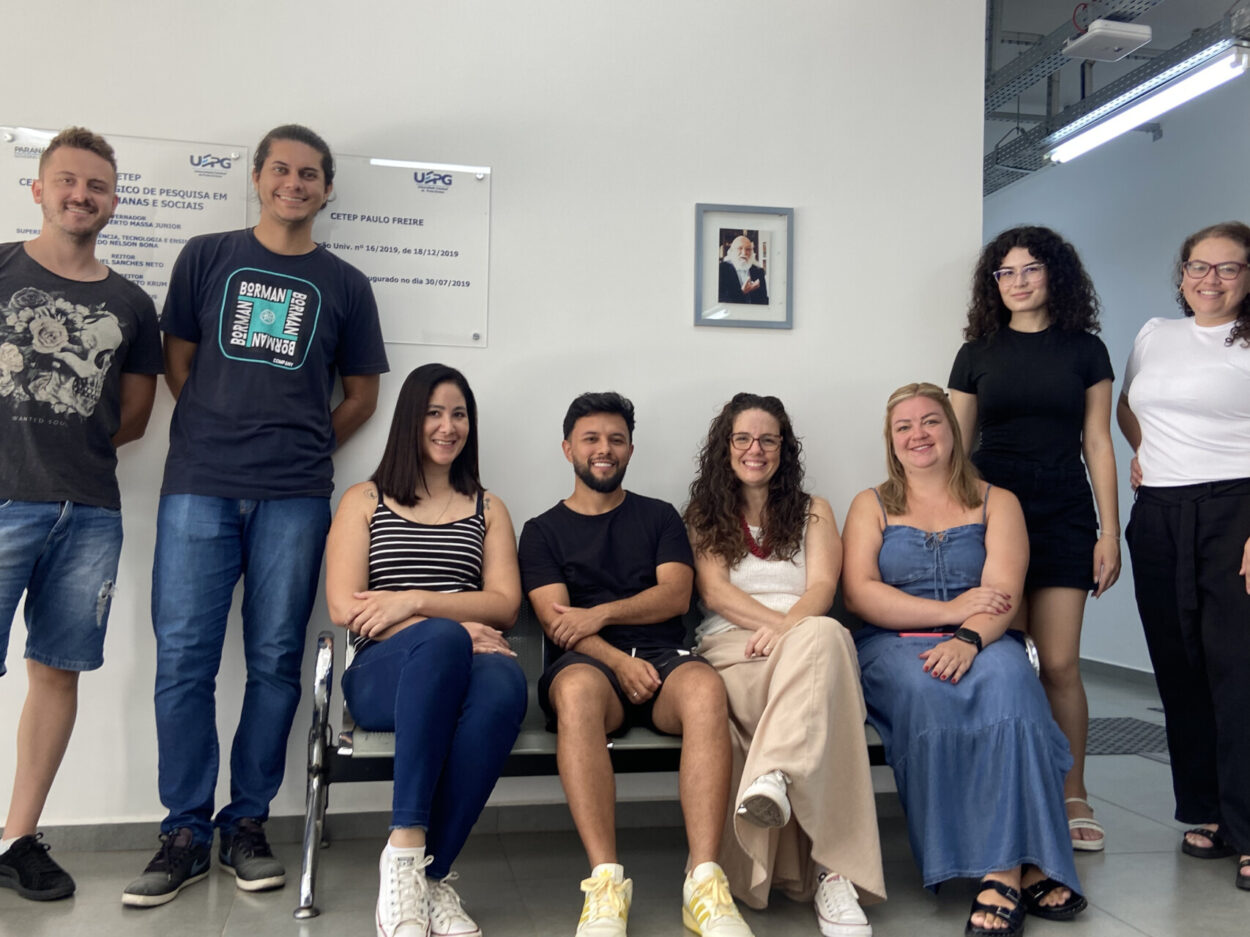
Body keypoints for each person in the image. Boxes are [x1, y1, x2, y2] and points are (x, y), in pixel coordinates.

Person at [123, 124, 389, 907]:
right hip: (198, 485)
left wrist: (302, 442)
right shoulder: (207, 256)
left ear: (327, 188)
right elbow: (178, 360)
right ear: (257, 177)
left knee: (275, 660)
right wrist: (216, 426)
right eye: (281, 169)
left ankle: (247, 823)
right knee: (184, 660)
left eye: (309, 174)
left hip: (296, 495)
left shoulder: (346, 284)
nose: (293, 184)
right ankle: (183, 830)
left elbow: (363, 394)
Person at [842, 383, 1084, 937]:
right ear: (891, 441)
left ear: (953, 431)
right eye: (904, 426)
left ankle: (1003, 871)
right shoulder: (870, 505)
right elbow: (860, 594)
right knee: (929, 691)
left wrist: (968, 639)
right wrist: (947, 611)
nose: (918, 434)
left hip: (984, 637)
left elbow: (1004, 594)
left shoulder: (999, 502)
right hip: (892, 644)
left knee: (1014, 687)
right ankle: (1014, 863)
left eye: (930, 421)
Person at [518, 391, 754, 937]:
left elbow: (675, 595)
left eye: (616, 440)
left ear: (629, 449)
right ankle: (606, 884)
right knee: (576, 692)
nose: (604, 449)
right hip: (587, 665)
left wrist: (600, 613)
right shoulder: (542, 530)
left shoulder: (659, 516)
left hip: (663, 659)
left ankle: (703, 881)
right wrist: (615, 659)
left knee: (706, 689)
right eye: (591, 439)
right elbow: (557, 623)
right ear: (568, 449)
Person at [0, 127, 161, 901]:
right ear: (38, 189)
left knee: (57, 670)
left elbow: (133, 416)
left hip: (89, 512)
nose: (80, 195)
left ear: (113, 202)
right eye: (66, 180)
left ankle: (17, 837)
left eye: (96, 186)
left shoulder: (131, 304)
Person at [325, 363, 527, 936]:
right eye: (434, 413)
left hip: (468, 665)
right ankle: (406, 844)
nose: (448, 426)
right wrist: (447, 626)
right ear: (411, 420)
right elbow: (343, 606)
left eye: (459, 414)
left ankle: (428, 877)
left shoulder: (489, 508)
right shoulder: (364, 500)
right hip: (382, 673)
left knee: (506, 685)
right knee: (441, 639)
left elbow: (505, 604)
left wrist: (412, 600)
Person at [683, 393, 884, 936]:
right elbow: (716, 593)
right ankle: (834, 871)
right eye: (743, 438)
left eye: (768, 439)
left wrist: (791, 630)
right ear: (725, 447)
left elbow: (822, 589)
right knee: (828, 666)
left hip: (805, 644)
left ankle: (781, 782)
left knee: (825, 636)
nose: (756, 449)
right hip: (735, 650)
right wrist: (780, 628)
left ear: (784, 448)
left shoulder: (815, 510)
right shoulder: (704, 515)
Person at [948, 225, 1120, 851]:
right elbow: (955, 447)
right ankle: (1011, 790)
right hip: (993, 517)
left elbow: (1098, 442)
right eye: (1006, 272)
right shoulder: (976, 352)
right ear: (993, 284)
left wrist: (1110, 532)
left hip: (1064, 513)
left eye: (1031, 269)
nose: (1017, 282)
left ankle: (1073, 793)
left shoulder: (1086, 350)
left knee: (1060, 663)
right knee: (1005, 663)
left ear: (1055, 275)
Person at [1116, 221, 1250, 892]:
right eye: (1199, 266)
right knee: (1182, 667)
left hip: (1237, 509)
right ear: (1182, 273)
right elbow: (1127, 405)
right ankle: (1215, 813)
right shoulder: (1154, 334)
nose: (1210, 279)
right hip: (1160, 515)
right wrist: (1144, 449)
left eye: (1229, 268)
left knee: (1239, 673)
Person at [718, 236, 769, 305]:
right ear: (731, 251)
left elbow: (764, 300)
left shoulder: (759, 271)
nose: (744, 253)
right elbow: (720, 300)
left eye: (748, 249)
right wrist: (742, 292)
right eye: (739, 248)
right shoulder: (721, 269)